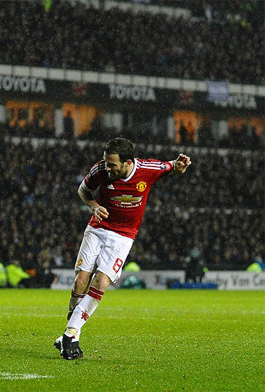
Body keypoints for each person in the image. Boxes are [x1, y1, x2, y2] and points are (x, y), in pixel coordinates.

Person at [54, 137, 191, 360]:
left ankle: (70, 334)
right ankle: (72, 332)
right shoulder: (100, 170)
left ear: (128, 163)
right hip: (98, 227)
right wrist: (94, 206)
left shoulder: (147, 169)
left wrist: (179, 166)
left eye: (112, 165)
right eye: (106, 162)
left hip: (123, 236)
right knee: (81, 280)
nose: (107, 168)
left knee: (101, 282)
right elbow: (83, 190)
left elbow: (172, 167)